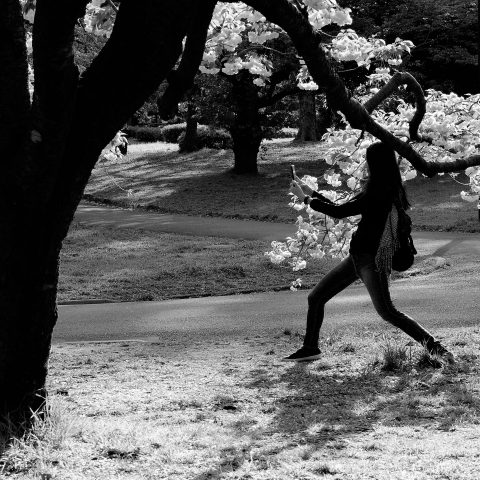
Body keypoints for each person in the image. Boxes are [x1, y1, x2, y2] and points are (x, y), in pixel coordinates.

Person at [285, 142, 454, 363]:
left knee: (388, 312)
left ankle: (438, 349)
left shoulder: (379, 192)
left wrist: (306, 200)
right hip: (357, 258)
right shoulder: (386, 188)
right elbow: (343, 209)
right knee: (316, 297)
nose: (365, 164)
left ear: (376, 163)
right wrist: (310, 192)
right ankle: (310, 348)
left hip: (371, 262)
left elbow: (340, 212)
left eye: (368, 160)